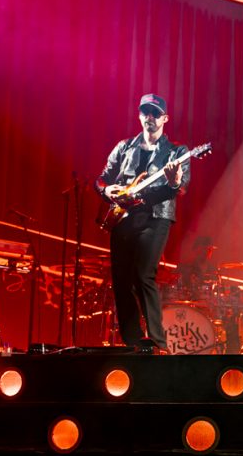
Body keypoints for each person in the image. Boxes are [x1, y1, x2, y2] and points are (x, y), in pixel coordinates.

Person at [94, 94, 189, 352]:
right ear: (139, 116)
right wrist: (107, 191)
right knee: (121, 279)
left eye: (155, 113)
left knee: (142, 274)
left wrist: (174, 180)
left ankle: (157, 341)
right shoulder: (124, 147)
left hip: (156, 218)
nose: (150, 117)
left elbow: (178, 189)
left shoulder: (177, 152)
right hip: (123, 217)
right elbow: (101, 179)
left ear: (165, 118)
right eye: (145, 112)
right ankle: (133, 341)